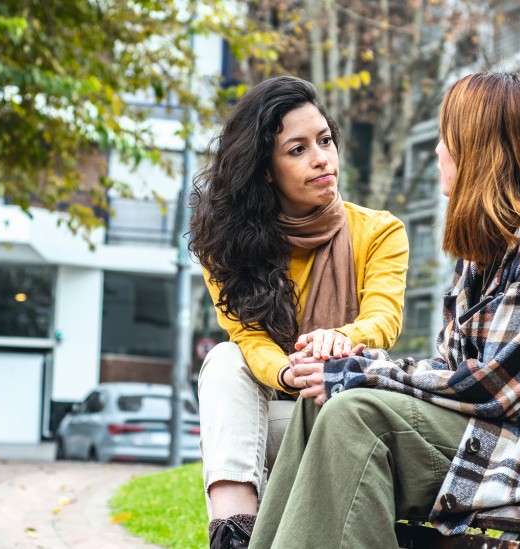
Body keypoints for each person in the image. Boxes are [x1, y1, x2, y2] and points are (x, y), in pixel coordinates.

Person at [248, 72, 520, 549]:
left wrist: (359, 374)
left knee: (355, 413)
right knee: (317, 404)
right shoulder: (486, 252)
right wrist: (351, 370)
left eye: (447, 138)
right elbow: (451, 372)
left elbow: (495, 385)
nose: (438, 151)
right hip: (509, 433)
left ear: (479, 149)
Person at [187, 75, 409, 548]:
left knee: (254, 403)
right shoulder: (225, 247)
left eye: (325, 140)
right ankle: (234, 535)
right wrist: (290, 374)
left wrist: (342, 339)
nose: (321, 158)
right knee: (225, 360)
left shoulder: (380, 232)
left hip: (342, 417)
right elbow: (248, 339)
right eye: (297, 149)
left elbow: (384, 320)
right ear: (266, 168)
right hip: (271, 417)